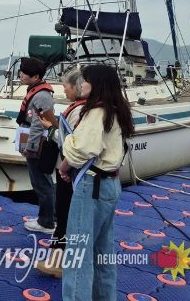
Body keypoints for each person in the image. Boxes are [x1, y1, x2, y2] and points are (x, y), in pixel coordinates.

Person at [60, 64, 134, 301]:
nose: (82, 84)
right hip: (110, 185)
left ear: (97, 84)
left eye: (86, 80)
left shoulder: (96, 113)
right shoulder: (117, 110)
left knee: (78, 253)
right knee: (103, 251)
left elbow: (80, 150)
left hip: (92, 186)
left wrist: (66, 146)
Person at [36, 67, 86, 278]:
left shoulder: (79, 111)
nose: (64, 90)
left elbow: (70, 142)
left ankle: (58, 262)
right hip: (72, 170)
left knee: (65, 215)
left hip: (70, 171)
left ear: (77, 87)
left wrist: (51, 129)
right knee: (66, 214)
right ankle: (61, 258)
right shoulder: (82, 109)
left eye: (66, 86)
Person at [16, 57, 58, 234]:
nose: (21, 74)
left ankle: (47, 222)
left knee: (41, 183)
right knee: (42, 182)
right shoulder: (37, 91)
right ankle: (48, 217)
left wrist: (30, 147)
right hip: (35, 142)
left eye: (24, 72)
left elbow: (38, 124)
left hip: (38, 145)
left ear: (35, 77)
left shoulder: (41, 96)